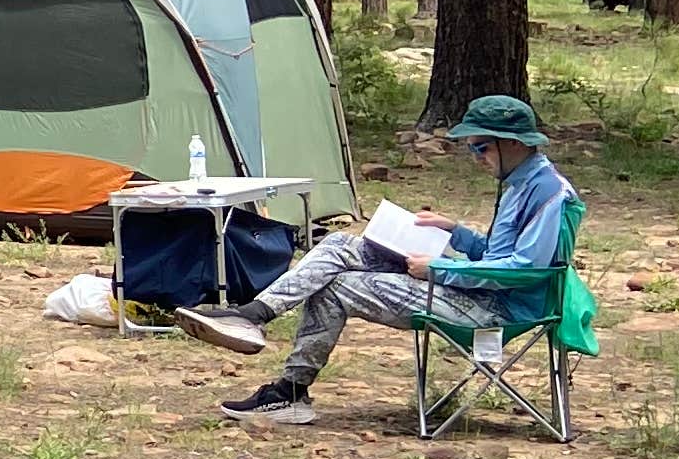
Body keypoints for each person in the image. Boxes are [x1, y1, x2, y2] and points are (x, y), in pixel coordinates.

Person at [182, 94, 572, 427]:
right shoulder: (522, 181)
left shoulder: (548, 192)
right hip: (478, 289)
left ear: (513, 142)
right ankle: (253, 316)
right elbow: (499, 253)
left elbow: (522, 270)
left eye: (480, 148)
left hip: (495, 310)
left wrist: (439, 268)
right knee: (340, 244)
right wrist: (455, 231)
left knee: (337, 287)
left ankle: (290, 391)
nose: (475, 158)